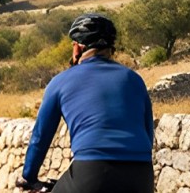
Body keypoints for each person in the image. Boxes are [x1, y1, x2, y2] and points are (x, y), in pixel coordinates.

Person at [16, 13, 154, 193]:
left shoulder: (60, 81)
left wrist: (28, 177)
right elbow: (148, 132)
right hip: (141, 175)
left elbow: (40, 137)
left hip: (92, 172)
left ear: (78, 47)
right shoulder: (134, 79)